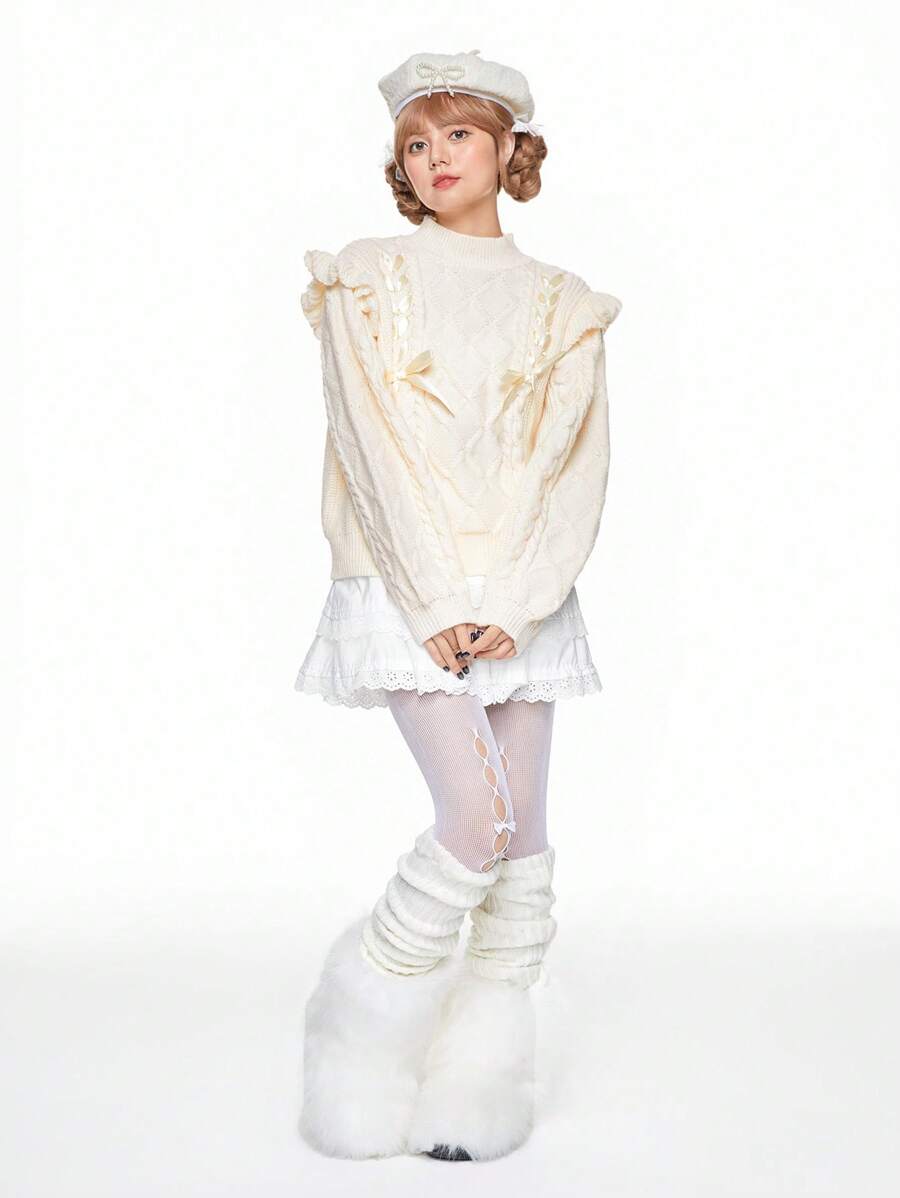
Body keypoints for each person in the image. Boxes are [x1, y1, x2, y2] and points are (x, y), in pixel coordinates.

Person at [296, 48, 622, 1162]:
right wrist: (435, 593)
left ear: (508, 149)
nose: (437, 157)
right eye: (416, 143)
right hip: (405, 584)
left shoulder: (563, 303)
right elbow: (371, 445)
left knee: (522, 848)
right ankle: (354, 1046)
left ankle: (477, 1087)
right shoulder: (365, 278)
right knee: (473, 824)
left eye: (459, 136)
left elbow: (578, 467)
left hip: (523, 594)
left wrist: (520, 601)